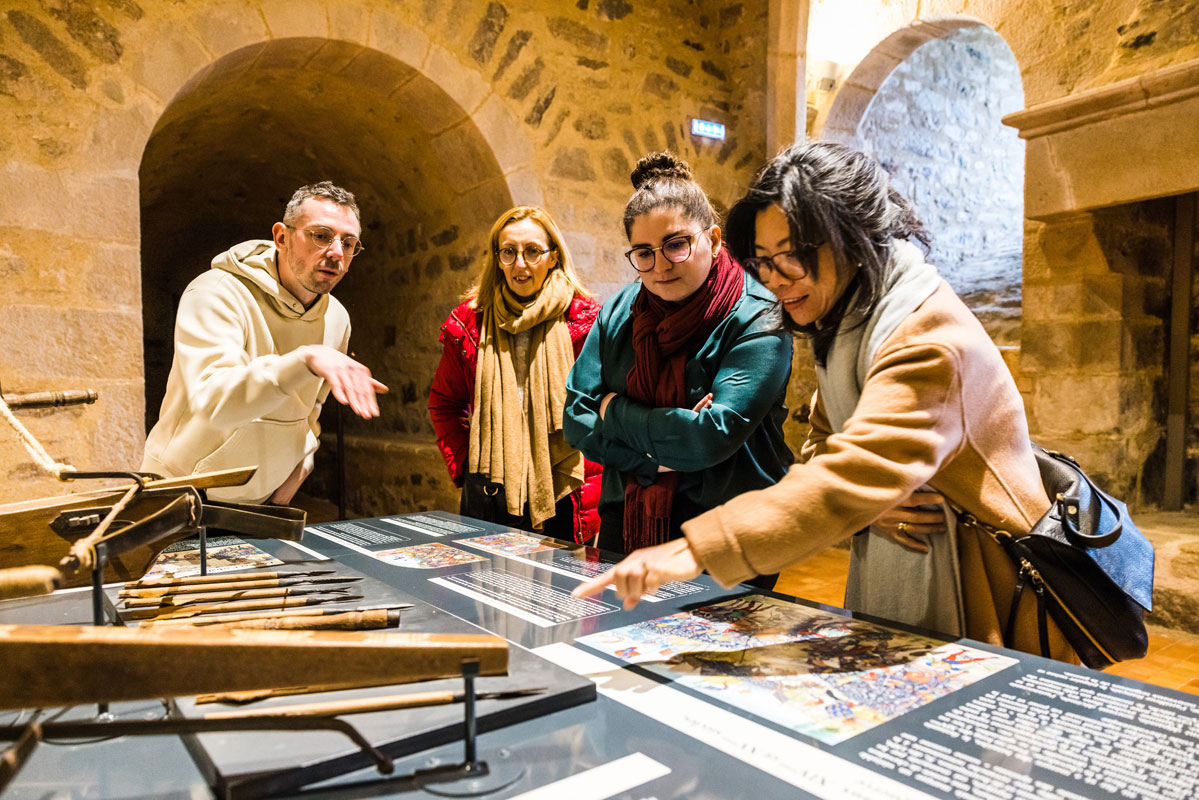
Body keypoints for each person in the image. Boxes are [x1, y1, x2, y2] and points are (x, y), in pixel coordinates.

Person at [574, 142, 1075, 663]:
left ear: (850, 234)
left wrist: (690, 550)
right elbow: (824, 443)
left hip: (981, 584)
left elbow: (846, 473)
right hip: (894, 557)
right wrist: (868, 497)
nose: (773, 279)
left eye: (793, 255)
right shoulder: (850, 316)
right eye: (765, 261)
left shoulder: (922, 332)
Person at [564, 152, 794, 571]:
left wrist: (613, 409)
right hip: (628, 524)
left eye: (676, 244)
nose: (660, 266)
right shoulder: (619, 311)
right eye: (644, 252)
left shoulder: (760, 317)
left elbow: (709, 437)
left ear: (715, 239)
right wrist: (663, 451)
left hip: (729, 531)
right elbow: (576, 417)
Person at [142, 182, 387, 505]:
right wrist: (303, 360)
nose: (336, 253)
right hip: (182, 494)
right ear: (281, 237)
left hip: (263, 502)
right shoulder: (215, 292)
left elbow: (311, 408)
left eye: (349, 242)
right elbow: (214, 402)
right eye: (321, 235)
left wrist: (304, 458)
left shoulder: (337, 317)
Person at [428, 206, 602, 542]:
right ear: (497, 258)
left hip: (565, 489)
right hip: (489, 491)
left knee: (560, 593)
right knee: (483, 589)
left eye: (533, 251)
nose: (520, 264)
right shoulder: (470, 322)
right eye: (509, 252)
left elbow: (605, 409)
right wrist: (466, 465)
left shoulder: (586, 322)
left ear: (553, 257)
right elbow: (445, 403)